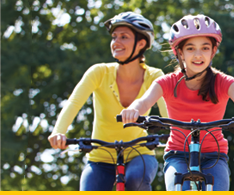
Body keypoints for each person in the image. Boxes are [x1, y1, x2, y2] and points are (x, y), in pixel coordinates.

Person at [119, 14, 234, 191]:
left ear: (213, 51)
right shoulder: (167, 82)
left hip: (215, 155)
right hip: (178, 154)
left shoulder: (224, 82)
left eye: (205, 48)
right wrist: (133, 110)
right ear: (180, 52)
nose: (198, 55)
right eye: (190, 48)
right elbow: (143, 102)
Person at [47, 12, 168, 191]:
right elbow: (73, 103)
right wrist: (59, 132)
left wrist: (178, 137)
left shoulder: (154, 76)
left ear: (141, 43)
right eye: (114, 37)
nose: (116, 42)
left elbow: (169, 115)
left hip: (140, 153)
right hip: (100, 156)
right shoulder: (99, 72)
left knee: (135, 179)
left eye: (124, 37)